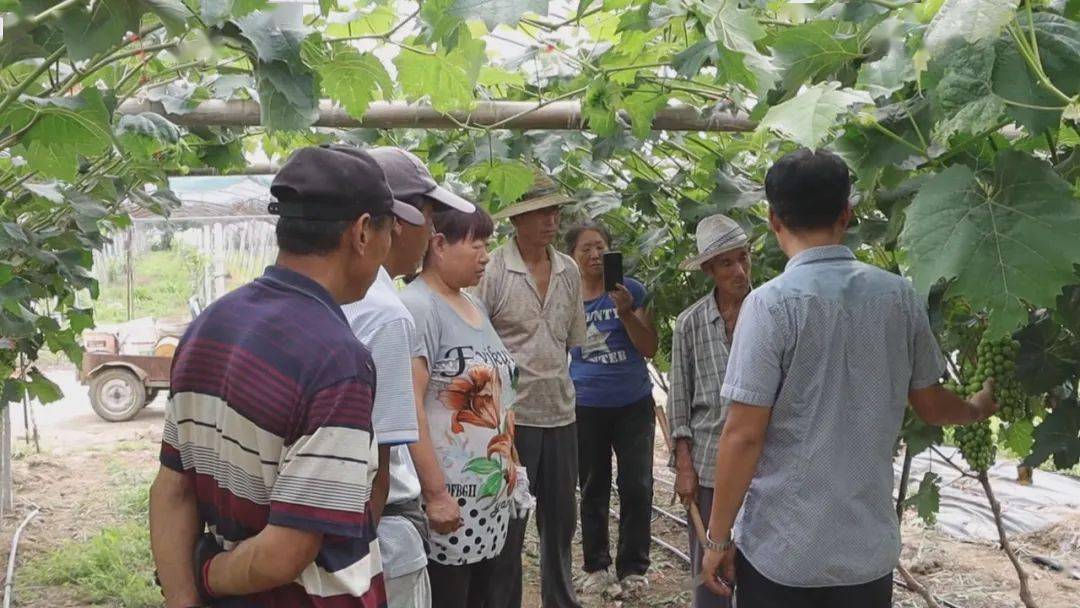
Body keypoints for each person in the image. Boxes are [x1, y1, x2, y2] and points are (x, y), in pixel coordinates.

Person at [700, 148, 999, 608]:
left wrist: (717, 540)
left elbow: (743, 435)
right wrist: (977, 407)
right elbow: (931, 403)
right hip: (866, 553)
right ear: (847, 212)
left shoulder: (769, 305)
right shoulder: (899, 297)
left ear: (773, 219)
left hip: (785, 551)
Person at [149, 145, 424, 607]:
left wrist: (184, 596)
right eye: (388, 230)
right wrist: (206, 573)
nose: (389, 245)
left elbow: (172, 488)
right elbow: (285, 552)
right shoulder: (337, 363)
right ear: (361, 232)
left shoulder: (208, 327)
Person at [341, 146, 477, 608]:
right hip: (378, 529)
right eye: (429, 216)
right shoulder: (386, 313)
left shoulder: (333, 296)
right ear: (395, 220)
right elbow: (379, 457)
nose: (434, 232)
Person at [400, 207, 524, 608]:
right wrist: (436, 494)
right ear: (438, 245)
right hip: (451, 503)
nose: (486, 255)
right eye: (478, 245)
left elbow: (501, 397)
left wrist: (514, 469)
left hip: (490, 499)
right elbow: (410, 406)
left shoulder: (474, 305)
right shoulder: (419, 307)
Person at [477, 172, 587, 608]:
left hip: (561, 413)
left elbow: (571, 341)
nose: (551, 220)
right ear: (518, 220)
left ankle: (560, 600)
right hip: (511, 420)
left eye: (555, 211)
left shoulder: (569, 270)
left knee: (560, 522)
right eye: (541, 212)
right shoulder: (495, 271)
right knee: (509, 521)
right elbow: (476, 346)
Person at [565, 222, 659, 597]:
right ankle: (596, 566)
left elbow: (649, 346)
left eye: (600, 247)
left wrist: (625, 313)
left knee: (637, 485)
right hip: (585, 405)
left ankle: (634, 568)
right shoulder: (566, 295)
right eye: (585, 249)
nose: (593, 255)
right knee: (592, 487)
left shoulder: (631, 290)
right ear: (571, 256)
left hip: (632, 403)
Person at [666, 213, 751, 608]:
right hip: (709, 465)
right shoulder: (690, 324)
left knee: (757, 568)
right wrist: (684, 466)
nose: (739, 271)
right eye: (726, 263)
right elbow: (679, 401)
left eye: (744, 259)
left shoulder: (770, 314)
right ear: (708, 270)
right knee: (710, 572)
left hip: (760, 465)